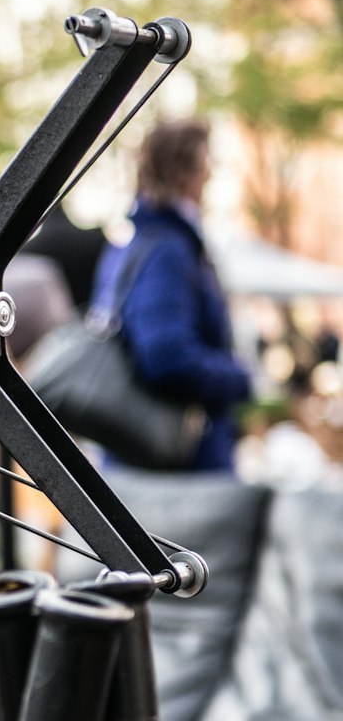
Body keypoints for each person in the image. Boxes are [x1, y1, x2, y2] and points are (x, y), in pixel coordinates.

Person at [89, 117, 252, 472]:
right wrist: (241, 378)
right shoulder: (168, 250)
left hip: (140, 456)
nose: (210, 177)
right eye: (205, 165)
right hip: (179, 465)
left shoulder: (132, 244)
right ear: (182, 171)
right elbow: (166, 356)